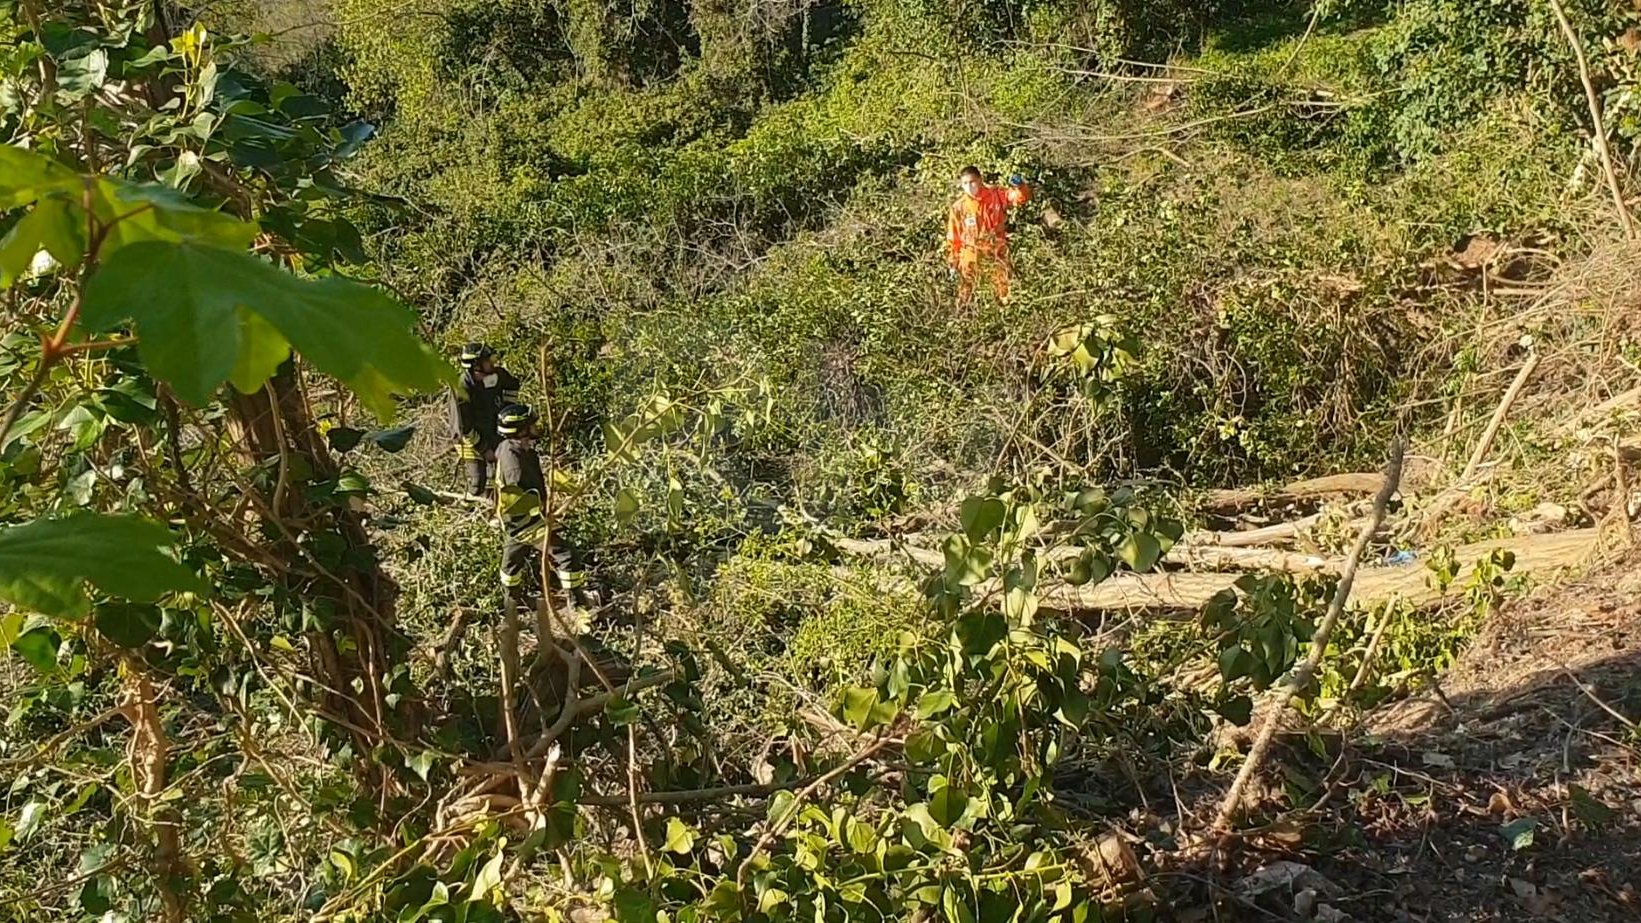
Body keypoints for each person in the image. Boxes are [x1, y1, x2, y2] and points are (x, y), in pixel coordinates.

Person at [493, 403, 580, 606]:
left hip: (515, 521)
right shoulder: (513, 460)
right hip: (526, 520)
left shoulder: (512, 448)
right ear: (521, 430)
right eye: (531, 425)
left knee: (511, 563)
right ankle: (577, 603)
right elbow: (519, 493)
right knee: (566, 554)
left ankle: (512, 603)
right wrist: (541, 514)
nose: (535, 428)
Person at [946, 165, 1032, 306]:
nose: (969, 186)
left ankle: (1006, 315)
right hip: (971, 253)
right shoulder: (958, 207)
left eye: (972, 182)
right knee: (965, 294)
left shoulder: (996, 194)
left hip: (996, 249)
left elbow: (1019, 198)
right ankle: (965, 320)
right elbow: (954, 239)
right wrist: (953, 264)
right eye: (965, 183)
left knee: (1004, 289)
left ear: (980, 180)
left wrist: (1020, 186)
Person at [446, 343, 520, 497]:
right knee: (477, 481)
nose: (492, 363)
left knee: (497, 476)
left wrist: (507, 410)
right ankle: (474, 504)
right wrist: (485, 449)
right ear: (476, 366)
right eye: (488, 360)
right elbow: (464, 427)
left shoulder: (499, 375)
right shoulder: (461, 390)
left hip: (492, 432)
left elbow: (512, 386)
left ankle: (495, 507)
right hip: (468, 437)